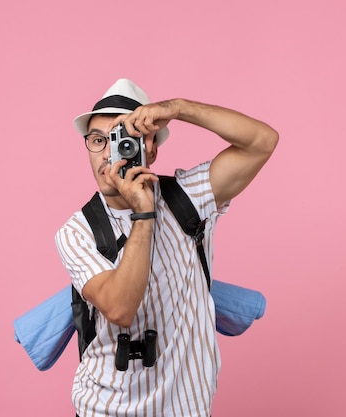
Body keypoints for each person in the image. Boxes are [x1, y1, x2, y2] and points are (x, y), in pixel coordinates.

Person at [55, 78, 279, 417]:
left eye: (122, 139)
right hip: (107, 409)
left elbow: (262, 142)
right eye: (98, 140)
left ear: (151, 148)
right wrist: (143, 214)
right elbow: (120, 309)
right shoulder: (76, 232)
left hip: (187, 408)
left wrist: (177, 108)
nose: (108, 153)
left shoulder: (188, 196)